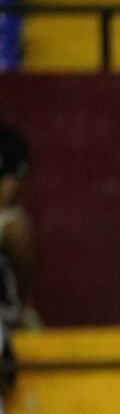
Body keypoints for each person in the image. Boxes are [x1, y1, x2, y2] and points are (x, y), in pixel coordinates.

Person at [0, 120, 39, 330]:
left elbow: (6, 194)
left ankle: (26, 310)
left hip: (1, 216)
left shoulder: (8, 140)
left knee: (17, 228)